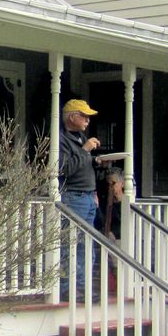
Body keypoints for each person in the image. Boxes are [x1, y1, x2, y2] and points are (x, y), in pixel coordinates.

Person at [59, 99, 99, 296]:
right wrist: (85, 151)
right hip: (72, 197)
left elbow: (83, 165)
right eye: (84, 116)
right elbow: (63, 169)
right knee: (71, 242)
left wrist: (94, 192)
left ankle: (83, 285)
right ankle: (68, 287)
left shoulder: (81, 138)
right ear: (72, 116)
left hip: (88, 197)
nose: (87, 120)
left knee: (86, 242)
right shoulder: (62, 139)